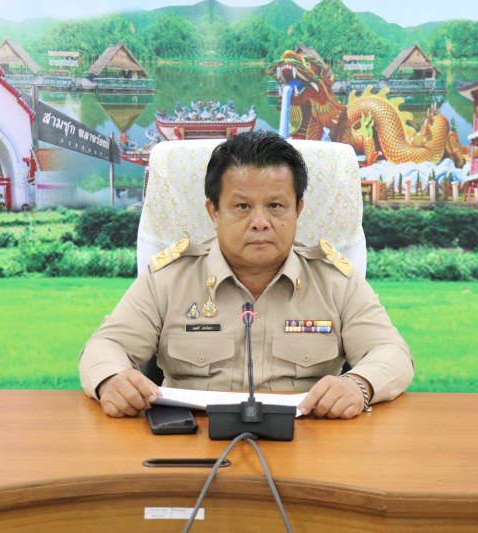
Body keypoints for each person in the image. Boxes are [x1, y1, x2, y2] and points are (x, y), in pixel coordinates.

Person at [79, 130, 414, 419]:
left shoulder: (335, 281)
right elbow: (106, 345)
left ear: (298, 210)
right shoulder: (168, 279)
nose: (260, 222)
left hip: (308, 442)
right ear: (213, 212)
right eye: (242, 207)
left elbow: (391, 352)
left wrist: (359, 385)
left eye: (275, 206)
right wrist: (112, 379)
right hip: (194, 443)